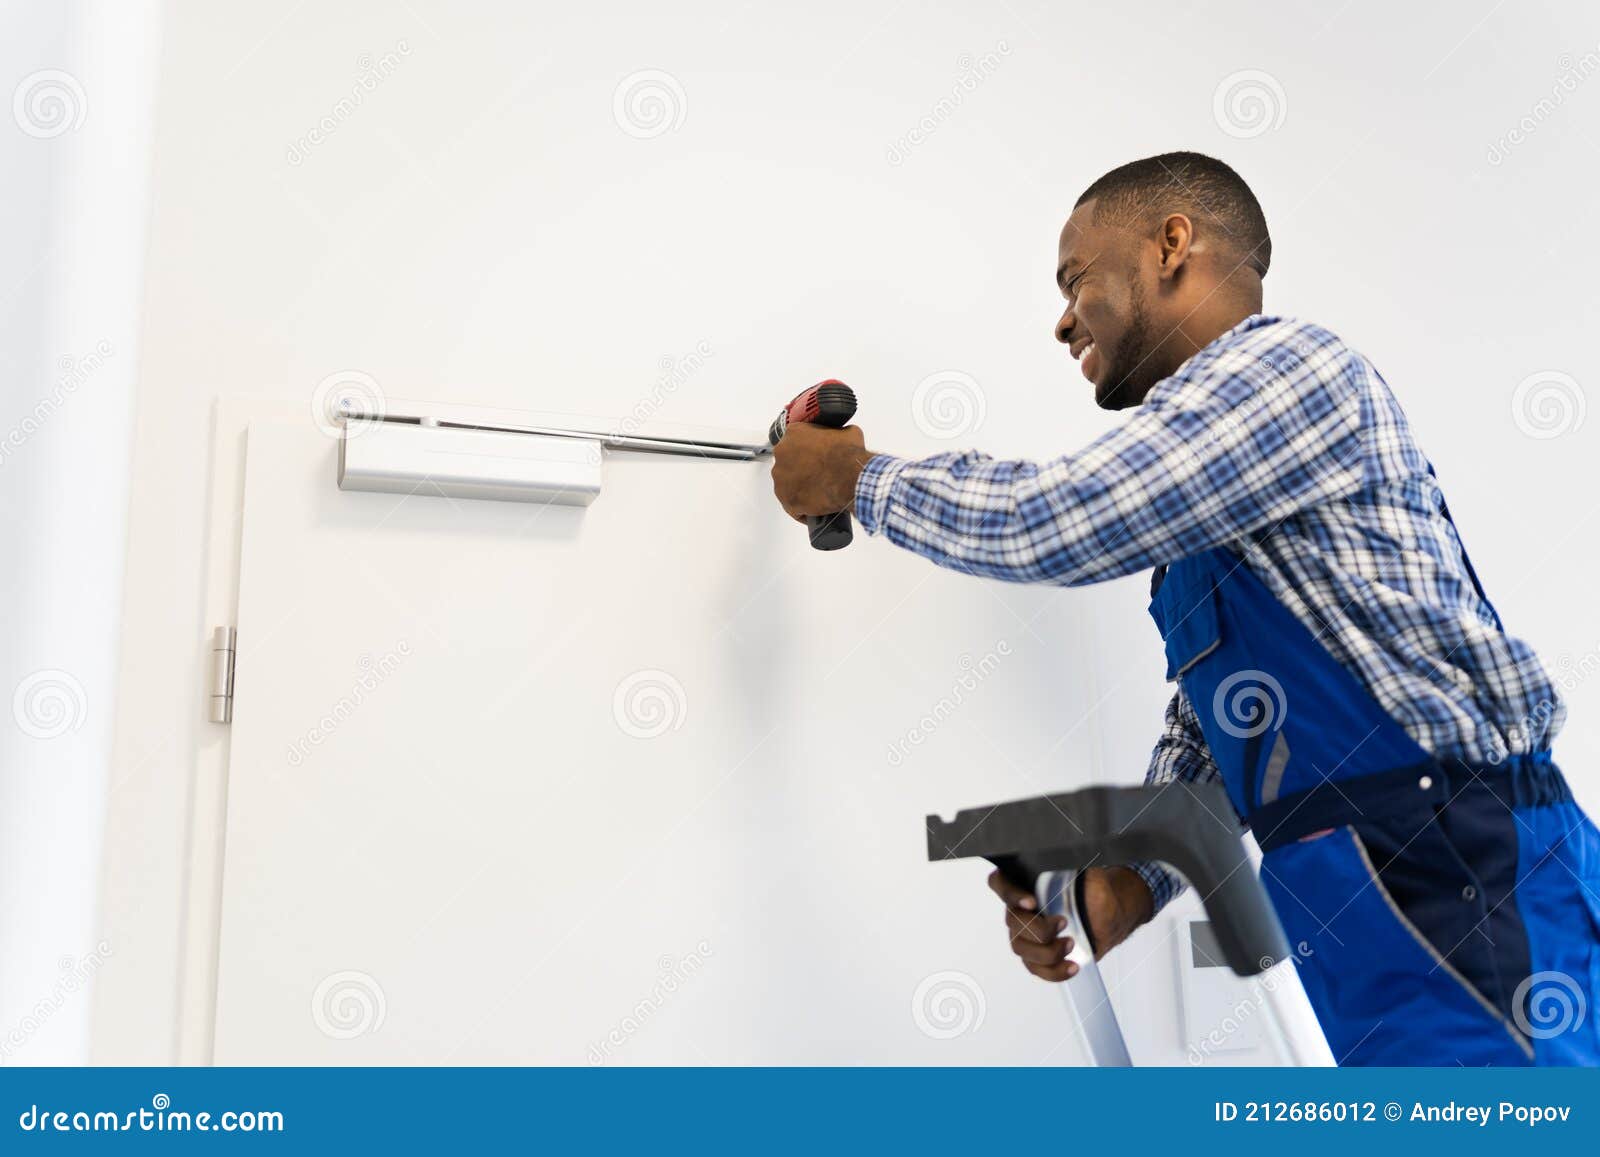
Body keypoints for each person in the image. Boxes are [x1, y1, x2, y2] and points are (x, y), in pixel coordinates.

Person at [768, 151, 1600, 1066]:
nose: (1060, 319)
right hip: (1352, 912)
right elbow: (1222, 739)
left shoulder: (1291, 369)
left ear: (1172, 244)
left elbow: (1058, 519)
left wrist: (862, 480)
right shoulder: (1207, 512)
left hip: (1465, 872)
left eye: (1074, 278)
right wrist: (1121, 879)